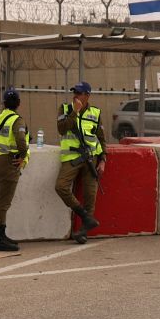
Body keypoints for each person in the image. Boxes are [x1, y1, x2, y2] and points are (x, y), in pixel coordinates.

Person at [56, 82, 106, 244]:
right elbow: (62, 129)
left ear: (87, 95)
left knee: (90, 196)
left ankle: (83, 231)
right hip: (71, 157)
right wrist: (75, 112)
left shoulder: (95, 113)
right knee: (61, 186)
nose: (75, 95)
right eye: (74, 92)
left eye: (79, 93)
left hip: (91, 158)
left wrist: (103, 159)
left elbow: (101, 137)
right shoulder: (65, 109)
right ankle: (84, 216)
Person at [0, 89, 29, 252]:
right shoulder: (17, 120)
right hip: (8, 162)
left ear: (3, 103)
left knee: (0, 200)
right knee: (3, 202)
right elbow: (21, 140)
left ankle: (1, 236)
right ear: (18, 103)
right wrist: (22, 156)